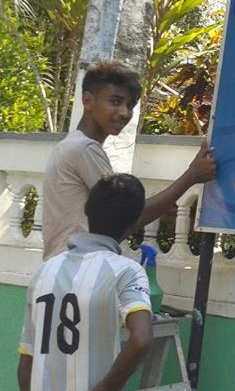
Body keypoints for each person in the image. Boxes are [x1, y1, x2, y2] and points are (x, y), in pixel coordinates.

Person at [16, 174, 155, 391]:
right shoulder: (126, 271)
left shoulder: (45, 272)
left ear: (88, 215)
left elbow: (25, 367)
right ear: (134, 225)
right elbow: (142, 337)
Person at [42, 60, 217, 259]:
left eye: (130, 105)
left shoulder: (73, 145)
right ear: (88, 101)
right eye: (115, 102)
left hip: (63, 271)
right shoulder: (84, 148)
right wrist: (191, 175)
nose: (125, 113)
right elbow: (130, 217)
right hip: (77, 273)